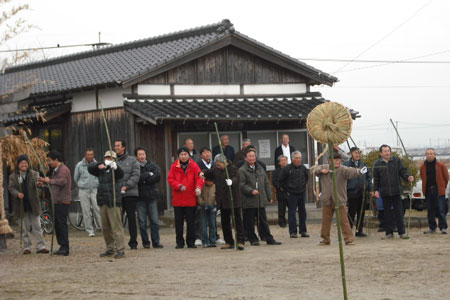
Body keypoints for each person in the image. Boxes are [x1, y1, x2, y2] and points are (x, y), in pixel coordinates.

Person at [314, 152, 366, 246]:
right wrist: (321, 171)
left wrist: (360, 171)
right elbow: (313, 170)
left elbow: (352, 171)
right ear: (330, 161)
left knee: (344, 221)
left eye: (339, 160)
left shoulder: (343, 169)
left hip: (339, 199)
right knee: (326, 221)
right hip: (327, 199)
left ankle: (349, 240)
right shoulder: (325, 167)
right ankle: (325, 239)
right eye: (335, 160)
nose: (337, 162)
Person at [201, 154, 245, 250]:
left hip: (234, 200)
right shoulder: (216, 170)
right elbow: (208, 173)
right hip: (222, 200)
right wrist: (201, 173)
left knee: (237, 222)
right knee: (225, 222)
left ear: (225, 162)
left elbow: (236, 178)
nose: (218, 166)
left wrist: (231, 182)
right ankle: (229, 242)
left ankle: (240, 241)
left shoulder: (233, 168)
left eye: (219, 164)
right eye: (217, 164)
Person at [239, 149, 281, 246]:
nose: (252, 158)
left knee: (263, 221)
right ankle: (253, 239)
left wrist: (269, 196)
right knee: (249, 222)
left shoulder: (260, 168)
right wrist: (251, 191)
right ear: (245, 158)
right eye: (249, 156)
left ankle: (268, 238)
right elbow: (242, 185)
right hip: (248, 201)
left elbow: (266, 183)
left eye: (253, 156)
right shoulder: (242, 170)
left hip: (260, 200)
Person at [88, 151, 126, 258]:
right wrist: (97, 165)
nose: (108, 159)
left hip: (113, 201)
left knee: (116, 227)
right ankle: (110, 248)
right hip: (102, 200)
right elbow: (90, 168)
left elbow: (121, 174)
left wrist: (115, 167)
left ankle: (120, 249)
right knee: (105, 228)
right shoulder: (101, 169)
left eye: (110, 158)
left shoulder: (115, 169)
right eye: (107, 157)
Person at [8, 155, 49, 255]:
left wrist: (40, 185)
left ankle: (41, 246)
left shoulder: (34, 174)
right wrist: (17, 194)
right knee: (25, 228)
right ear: (18, 165)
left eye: (25, 163)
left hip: (33, 204)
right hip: (21, 205)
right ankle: (27, 247)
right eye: (22, 163)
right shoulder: (13, 176)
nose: (24, 164)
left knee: (38, 227)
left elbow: (38, 187)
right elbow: (11, 188)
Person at [373, 144, 414, 239]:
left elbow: (403, 171)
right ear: (381, 153)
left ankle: (402, 232)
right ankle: (389, 233)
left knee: (399, 212)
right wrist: (376, 190)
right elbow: (376, 179)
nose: (387, 153)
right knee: (386, 213)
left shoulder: (396, 161)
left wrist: (408, 177)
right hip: (384, 192)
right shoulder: (377, 164)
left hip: (396, 191)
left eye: (388, 151)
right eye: (385, 151)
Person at [168, 147, 204, 248]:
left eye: (185, 154)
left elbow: (199, 178)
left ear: (189, 155)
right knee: (178, 223)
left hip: (190, 199)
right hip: (178, 199)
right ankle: (179, 242)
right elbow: (170, 179)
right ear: (178, 156)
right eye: (181, 154)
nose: (183, 156)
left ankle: (190, 242)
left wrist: (198, 188)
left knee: (191, 222)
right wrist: (178, 186)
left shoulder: (194, 165)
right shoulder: (174, 166)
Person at [38, 150, 72, 256]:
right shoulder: (57, 170)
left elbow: (62, 181)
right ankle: (62, 245)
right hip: (57, 200)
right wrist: (45, 182)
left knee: (61, 224)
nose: (49, 163)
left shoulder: (63, 169)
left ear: (56, 160)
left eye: (50, 160)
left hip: (62, 201)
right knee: (58, 224)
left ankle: (65, 247)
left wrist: (49, 181)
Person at [135, 147, 164, 248]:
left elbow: (157, 176)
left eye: (143, 154)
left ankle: (156, 242)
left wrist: (145, 180)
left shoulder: (152, 165)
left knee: (154, 221)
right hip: (139, 197)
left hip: (151, 196)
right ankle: (145, 242)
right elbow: (137, 179)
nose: (142, 156)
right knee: (142, 222)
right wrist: (147, 175)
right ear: (136, 156)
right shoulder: (135, 166)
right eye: (140, 154)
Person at [114, 139, 140, 249]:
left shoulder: (133, 160)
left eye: (118, 145)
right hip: (117, 193)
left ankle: (133, 242)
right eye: (115, 146)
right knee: (117, 219)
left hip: (130, 193)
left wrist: (127, 186)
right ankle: (118, 242)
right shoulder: (113, 160)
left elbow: (136, 175)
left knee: (131, 218)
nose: (116, 147)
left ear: (123, 147)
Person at [278, 151, 309, 238]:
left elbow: (306, 178)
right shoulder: (287, 169)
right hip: (291, 194)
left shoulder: (303, 168)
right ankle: (293, 232)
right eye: (296, 158)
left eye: (299, 158)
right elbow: (281, 181)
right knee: (292, 213)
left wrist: (303, 187)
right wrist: (286, 190)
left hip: (302, 193)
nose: (298, 160)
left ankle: (303, 231)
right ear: (292, 159)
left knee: (303, 212)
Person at [344, 147, 373, 237]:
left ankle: (359, 230)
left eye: (358, 153)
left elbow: (369, 177)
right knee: (351, 212)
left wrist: (369, 188)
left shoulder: (363, 164)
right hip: (352, 192)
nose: (357, 155)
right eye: (355, 153)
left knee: (361, 212)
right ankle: (349, 231)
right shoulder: (346, 164)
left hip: (362, 192)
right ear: (351, 154)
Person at [420, 148, 449, 234]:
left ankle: (443, 227)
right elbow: (422, 177)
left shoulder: (441, 165)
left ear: (435, 155)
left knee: (441, 209)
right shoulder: (423, 167)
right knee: (430, 210)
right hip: (428, 190)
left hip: (439, 190)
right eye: (428, 154)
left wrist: (442, 186)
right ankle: (432, 227)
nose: (429, 155)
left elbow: (446, 177)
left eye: (431, 154)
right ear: (426, 155)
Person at [74, 148, 101, 237]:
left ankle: (101, 227)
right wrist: (81, 184)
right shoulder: (79, 165)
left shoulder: (97, 165)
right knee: (86, 211)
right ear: (85, 155)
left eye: (91, 154)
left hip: (95, 190)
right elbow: (75, 177)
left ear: (93, 155)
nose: (90, 156)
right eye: (88, 154)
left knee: (98, 209)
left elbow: (100, 176)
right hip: (83, 190)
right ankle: (90, 230)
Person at [196, 147, 217, 248]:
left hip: (213, 201)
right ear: (201, 155)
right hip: (203, 197)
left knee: (213, 224)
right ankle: (203, 240)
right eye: (205, 152)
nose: (207, 154)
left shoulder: (214, 164)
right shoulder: (198, 165)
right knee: (203, 224)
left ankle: (213, 239)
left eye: (209, 152)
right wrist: (201, 202)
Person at [272, 155, 289, 227]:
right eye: (282, 160)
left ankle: (292, 222)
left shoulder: (290, 169)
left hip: (290, 192)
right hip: (281, 192)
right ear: (279, 163)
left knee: (292, 209)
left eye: (285, 160)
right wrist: (280, 187)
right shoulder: (275, 171)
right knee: (281, 209)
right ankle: (282, 222)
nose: (284, 162)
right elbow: (274, 181)